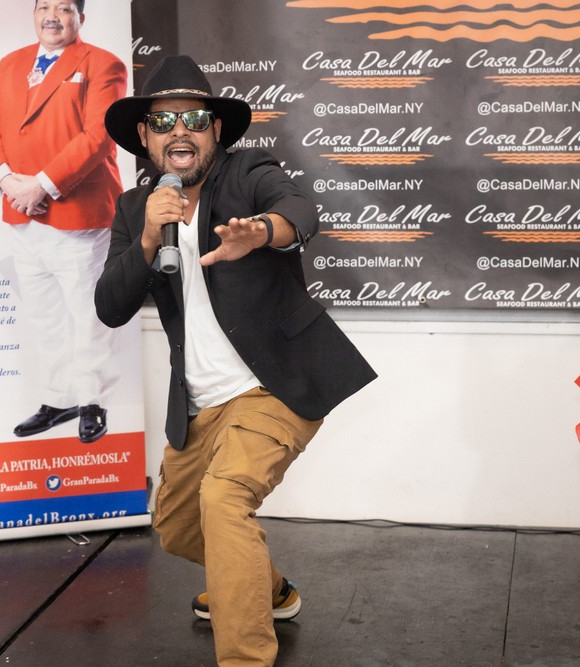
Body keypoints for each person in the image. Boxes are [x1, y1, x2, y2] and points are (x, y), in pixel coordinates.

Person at [96, 55, 377, 666]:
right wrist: (148, 239)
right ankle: (268, 590)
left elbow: (300, 211)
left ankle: (245, 656)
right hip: (198, 403)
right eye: (163, 121)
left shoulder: (248, 173)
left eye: (195, 119)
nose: (180, 131)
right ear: (144, 135)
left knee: (224, 500)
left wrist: (265, 231)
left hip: (271, 386)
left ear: (216, 130)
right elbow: (110, 308)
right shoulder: (136, 208)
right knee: (178, 528)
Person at [0, 0, 126, 443]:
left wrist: (42, 185)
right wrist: (7, 180)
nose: (52, 16)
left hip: (78, 215)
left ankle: (92, 401)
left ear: (81, 17)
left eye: (64, 8)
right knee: (45, 315)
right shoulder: (11, 63)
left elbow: (99, 136)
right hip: (23, 214)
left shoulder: (103, 64)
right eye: (44, 6)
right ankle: (59, 399)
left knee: (87, 313)